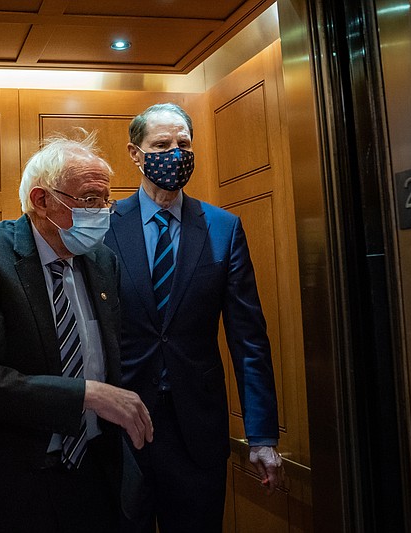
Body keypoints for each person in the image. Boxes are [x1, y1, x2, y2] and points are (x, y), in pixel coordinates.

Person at [0, 132, 154, 533]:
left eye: (105, 200)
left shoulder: (101, 261)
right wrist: (86, 395)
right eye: (89, 200)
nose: (101, 213)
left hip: (91, 476)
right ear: (42, 200)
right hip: (5, 482)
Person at [104, 103, 284, 532]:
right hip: (120, 430)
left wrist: (261, 435)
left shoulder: (223, 228)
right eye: (161, 145)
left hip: (197, 434)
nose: (174, 153)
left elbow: (249, 339)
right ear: (135, 153)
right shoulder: (105, 225)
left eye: (183, 144)